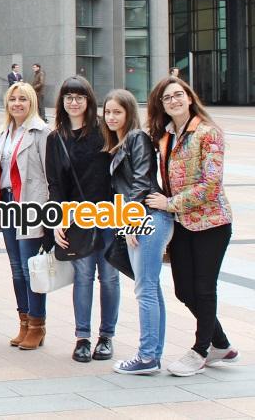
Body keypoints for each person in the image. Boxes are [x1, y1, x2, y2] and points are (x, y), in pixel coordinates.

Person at [145, 77, 237, 376]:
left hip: (212, 222)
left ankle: (201, 350)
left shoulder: (208, 133)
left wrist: (169, 204)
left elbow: (211, 186)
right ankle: (221, 342)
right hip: (183, 224)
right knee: (184, 290)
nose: (173, 101)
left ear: (189, 97)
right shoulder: (166, 135)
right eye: (166, 98)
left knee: (204, 287)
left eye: (178, 95)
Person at [48, 75, 118, 364]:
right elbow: (55, 183)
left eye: (79, 97)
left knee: (110, 277)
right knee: (84, 277)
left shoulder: (104, 131)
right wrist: (57, 219)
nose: (74, 102)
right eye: (68, 98)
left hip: (110, 216)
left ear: (89, 100)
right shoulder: (56, 138)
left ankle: (106, 336)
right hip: (76, 219)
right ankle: (82, 337)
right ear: (62, 103)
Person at [102, 89, 172, 375]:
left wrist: (132, 220)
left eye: (117, 112)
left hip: (149, 218)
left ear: (130, 113)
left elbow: (141, 180)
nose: (111, 117)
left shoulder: (136, 138)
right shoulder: (118, 144)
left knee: (145, 289)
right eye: (107, 112)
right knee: (151, 288)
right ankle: (152, 355)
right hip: (142, 218)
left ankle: (146, 357)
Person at [0, 82, 49, 350]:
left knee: (30, 269)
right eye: (13, 99)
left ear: (32, 103)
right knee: (16, 269)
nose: (17, 103)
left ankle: (37, 325)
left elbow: (50, 176)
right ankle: (24, 322)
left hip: (30, 206)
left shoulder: (42, 132)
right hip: (6, 204)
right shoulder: (4, 132)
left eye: (23, 99)